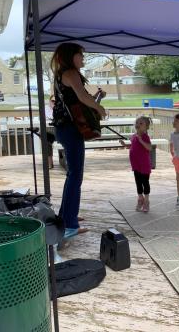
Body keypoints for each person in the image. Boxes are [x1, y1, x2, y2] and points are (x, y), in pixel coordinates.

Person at [51, 43, 106, 239]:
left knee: (72, 175)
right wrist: (100, 109)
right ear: (70, 56)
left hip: (63, 128)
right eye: (80, 55)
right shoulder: (71, 73)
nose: (83, 59)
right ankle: (69, 226)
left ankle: (66, 216)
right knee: (75, 176)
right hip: (70, 129)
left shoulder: (60, 74)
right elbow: (83, 97)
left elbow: (73, 99)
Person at [120, 116, 152, 212]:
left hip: (144, 164)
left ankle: (146, 200)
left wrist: (141, 140)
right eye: (137, 123)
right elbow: (133, 146)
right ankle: (140, 198)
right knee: (138, 182)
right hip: (136, 164)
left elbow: (149, 148)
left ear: (146, 127)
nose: (138, 124)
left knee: (145, 183)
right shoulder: (134, 136)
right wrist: (125, 145)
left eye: (141, 123)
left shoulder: (145, 137)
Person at [45, 95, 56, 169]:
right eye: (52, 101)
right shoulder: (46, 108)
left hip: (59, 130)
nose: (54, 102)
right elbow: (50, 117)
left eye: (55, 101)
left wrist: (54, 108)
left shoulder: (60, 108)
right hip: (49, 130)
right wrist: (53, 108)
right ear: (49, 101)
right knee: (47, 140)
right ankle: (50, 162)